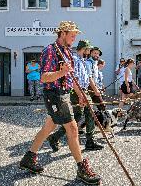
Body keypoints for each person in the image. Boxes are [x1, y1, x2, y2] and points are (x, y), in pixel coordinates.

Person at [19, 21, 101, 185]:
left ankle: (29, 158)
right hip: (54, 95)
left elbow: (71, 77)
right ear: (62, 33)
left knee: (48, 127)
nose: (75, 36)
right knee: (72, 128)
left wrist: (81, 95)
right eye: (72, 33)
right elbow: (44, 77)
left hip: (63, 94)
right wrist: (61, 71)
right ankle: (81, 169)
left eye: (75, 33)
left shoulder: (68, 52)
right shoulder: (50, 50)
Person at [47, 40, 104, 153]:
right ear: (84, 48)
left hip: (84, 90)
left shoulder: (82, 60)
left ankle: (89, 141)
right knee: (78, 116)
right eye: (89, 49)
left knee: (85, 114)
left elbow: (87, 78)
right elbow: (74, 79)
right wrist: (80, 95)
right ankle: (55, 137)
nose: (90, 51)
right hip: (76, 91)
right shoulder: (75, 60)